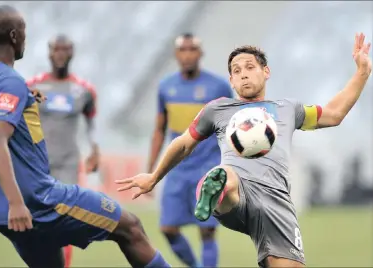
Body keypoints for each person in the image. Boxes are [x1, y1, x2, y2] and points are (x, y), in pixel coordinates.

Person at [0, 5, 170, 268]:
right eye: (23, 31)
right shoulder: (9, 81)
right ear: (14, 36)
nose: (26, 37)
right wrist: (16, 203)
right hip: (36, 201)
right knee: (130, 227)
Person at [117, 33, 372, 268]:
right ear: (231, 80)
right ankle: (216, 192)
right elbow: (183, 143)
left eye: (250, 67)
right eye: (236, 71)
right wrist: (153, 177)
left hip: (276, 202)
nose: (243, 74)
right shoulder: (218, 109)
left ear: (266, 71)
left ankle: (219, 189)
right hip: (238, 193)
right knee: (225, 175)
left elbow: (333, 115)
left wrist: (361, 73)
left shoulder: (288, 109)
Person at [147, 33, 233, 267]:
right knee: (168, 228)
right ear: (176, 54)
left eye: (192, 49)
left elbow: (232, 128)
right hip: (177, 168)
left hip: (208, 167)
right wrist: (150, 170)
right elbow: (159, 130)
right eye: (182, 50)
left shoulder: (218, 86)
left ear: (200, 53)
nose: (187, 55)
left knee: (207, 232)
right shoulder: (166, 87)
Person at [26, 35, 99, 267]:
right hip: (39, 164)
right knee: (36, 222)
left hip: (68, 163)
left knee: (65, 219)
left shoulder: (83, 90)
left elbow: (91, 122)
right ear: (49, 53)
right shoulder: (34, 87)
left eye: (65, 49)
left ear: (72, 53)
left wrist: (94, 150)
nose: (60, 54)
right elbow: (20, 117)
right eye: (56, 49)